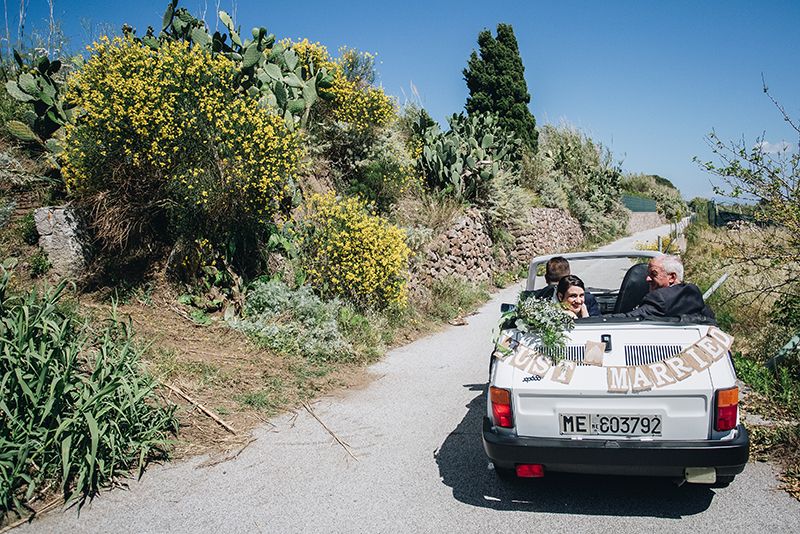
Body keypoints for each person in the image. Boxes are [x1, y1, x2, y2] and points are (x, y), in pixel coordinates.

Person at [623, 255, 715, 319]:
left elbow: (631, 318)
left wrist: (608, 319)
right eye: (648, 274)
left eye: (654, 274)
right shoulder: (694, 296)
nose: (647, 279)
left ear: (671, 277)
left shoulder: (659, 298)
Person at [534, 256, 601, 316]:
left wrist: (585, 317)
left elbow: (598, 325)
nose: (578, 300)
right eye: (573, 296)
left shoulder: (588, 301)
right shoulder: (539, 300)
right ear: (560, 296)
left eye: (581, 295)